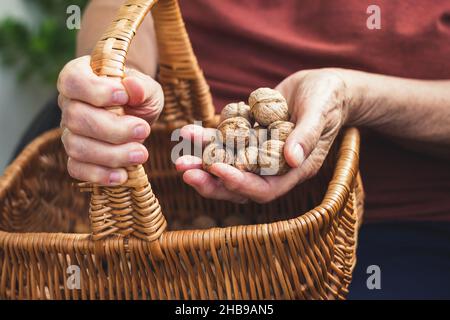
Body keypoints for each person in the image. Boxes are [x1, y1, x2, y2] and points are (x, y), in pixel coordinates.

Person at [22, 0, 450, 298]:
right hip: (173, 187)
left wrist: (355, 95)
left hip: (387, 226)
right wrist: (120, 82)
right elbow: (126, 8)